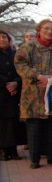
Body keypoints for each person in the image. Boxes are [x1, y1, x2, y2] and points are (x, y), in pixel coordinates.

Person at [14, 19, 52, 169]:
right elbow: (20, 64)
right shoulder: (27, 47)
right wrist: (38, 76)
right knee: (34, 128)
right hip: (32, 95)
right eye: (46, 28)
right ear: (39, 29)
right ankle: (34, 159)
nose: (50, 31)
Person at [0, 29, 25, 160]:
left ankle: (14, 149)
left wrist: (16, 83)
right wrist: (6, 84)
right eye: (0, 38)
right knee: (3, 123)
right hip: (2, 94)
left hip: (15, 94)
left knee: (15, 122)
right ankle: (3, 149)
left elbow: (22, 71)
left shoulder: (16, 54)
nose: (2, 40)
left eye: (4, 37)